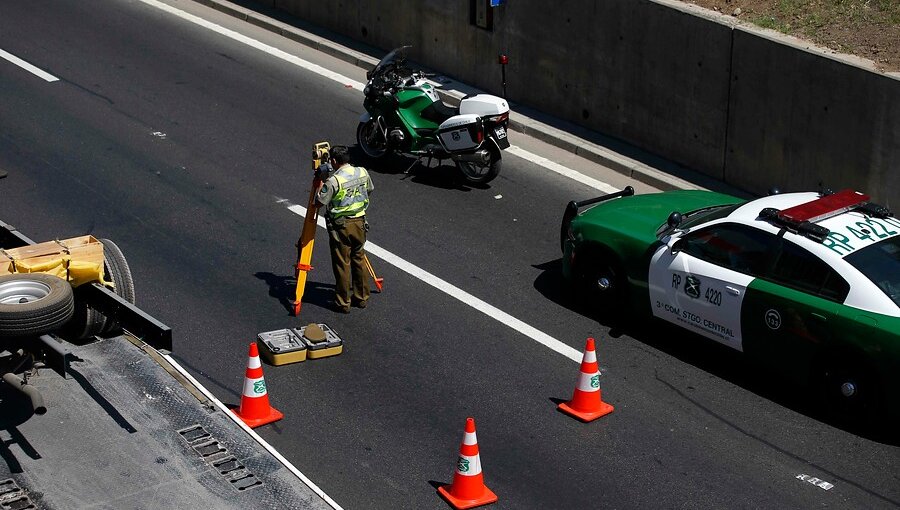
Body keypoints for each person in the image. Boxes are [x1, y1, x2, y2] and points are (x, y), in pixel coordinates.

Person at [315, 145, 374, 313]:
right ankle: (361, 298)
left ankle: (343, 302)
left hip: (341, 226)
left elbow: (319, 202)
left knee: (342, 264)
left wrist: (322, 180)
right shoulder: (362, 172)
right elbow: (369, 190)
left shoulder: (334, 181)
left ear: (333, 161)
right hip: (360, 222)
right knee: (358, 259)